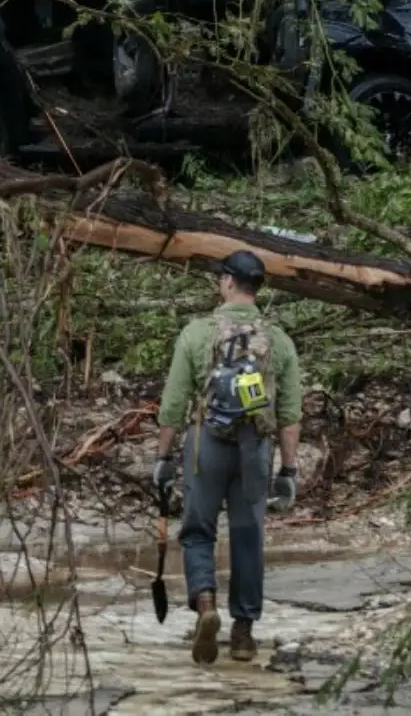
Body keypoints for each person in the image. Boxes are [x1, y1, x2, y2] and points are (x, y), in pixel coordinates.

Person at [151, 250, 303, 665]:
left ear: (229, 283)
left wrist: (163, 458)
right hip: (256, 447)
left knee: (199, 529)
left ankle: (206, 605)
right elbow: (289, 415)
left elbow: (174, 404)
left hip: (207, 443)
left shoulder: (198, 333)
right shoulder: (279, 340)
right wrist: (288, 470)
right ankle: (243, 633)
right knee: (248, 535)